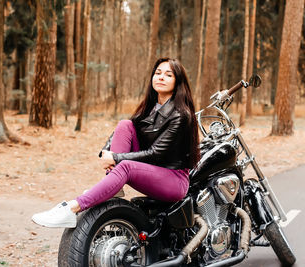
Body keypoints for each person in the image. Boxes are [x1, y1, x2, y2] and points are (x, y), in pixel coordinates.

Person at [31, 57, 200, 228]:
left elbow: (156, 154)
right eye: (158, 73)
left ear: (177, 82)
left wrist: (117, 158)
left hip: (173, 179)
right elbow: (126, 133)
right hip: (153, 170)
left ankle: (72, 208)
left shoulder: (181, 114)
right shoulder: (151, 107)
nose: (161, 77)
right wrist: (107, 152)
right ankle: (113, 186)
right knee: (125, 125)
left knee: (125, 165)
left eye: (168, 75)